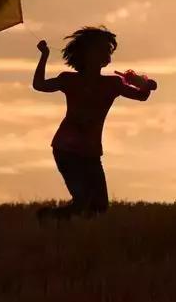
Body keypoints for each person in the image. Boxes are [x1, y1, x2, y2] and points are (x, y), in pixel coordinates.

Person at [32, 26, 157, 219]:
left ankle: (53, 220)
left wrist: (141, 82)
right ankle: (50, 219)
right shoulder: (69, 80)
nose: (108, 53)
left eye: (109, 49)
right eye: (103, 49)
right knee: (83, 201)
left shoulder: (113, 83)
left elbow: (142, 97)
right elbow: (39, 85)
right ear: (87, 53)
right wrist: (44, 55)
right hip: (66, 149)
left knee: (99, 206)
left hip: (90, 152)